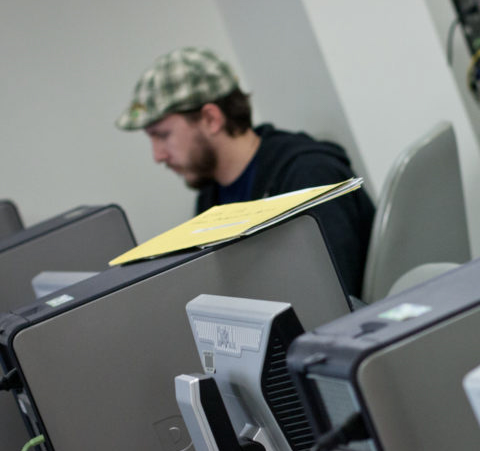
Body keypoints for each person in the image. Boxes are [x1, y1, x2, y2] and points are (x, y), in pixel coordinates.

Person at [116, 46, 376, 300]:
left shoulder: (308, 175)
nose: (158, 155)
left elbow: (333, 298)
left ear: (211, 119)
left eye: (162, 135)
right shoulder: (211, 198)